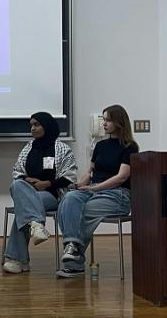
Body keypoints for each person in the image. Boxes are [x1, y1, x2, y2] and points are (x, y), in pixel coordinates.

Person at [56, 104, 138, 278]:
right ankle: (72, 247)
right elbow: (90, 172)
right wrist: (79, 185)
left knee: (83, 210)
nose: (104, 124)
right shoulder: (100, 146)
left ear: (119, 122)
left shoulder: (130, 147)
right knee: (68, 201)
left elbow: (122, 177)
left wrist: (95, 188)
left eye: (108, 120)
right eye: (103, 120)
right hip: (95, 191)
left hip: (117, 194)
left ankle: (74, 259)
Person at [2, 112, 77, 274]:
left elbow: (69, 177)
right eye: (31, 125)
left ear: (47, 126)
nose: (32, 128)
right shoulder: (28, 147)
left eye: (36, 125)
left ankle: (18, 259)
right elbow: (17, 171)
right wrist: (28, 181)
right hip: (30, 191)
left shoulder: (62, 148)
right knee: (17, 185)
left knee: (24, 209)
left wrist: (47, 184)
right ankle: (36, 225)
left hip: (53, 194)